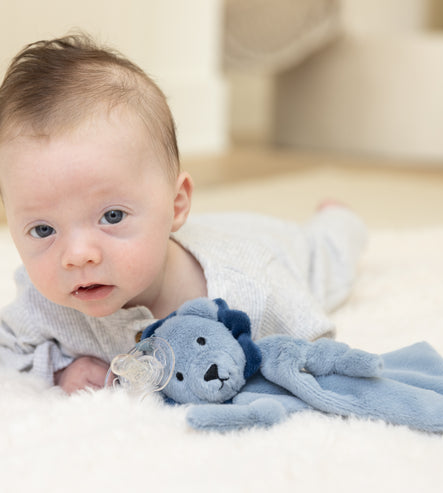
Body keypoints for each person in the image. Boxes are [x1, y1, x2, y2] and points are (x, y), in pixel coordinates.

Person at [0, 34, 367, 395]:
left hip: (279, 246)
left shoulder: (249, 286)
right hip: (197, 231)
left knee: (331, 251)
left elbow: (315, 341)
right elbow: (9, 347)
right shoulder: (41, 302)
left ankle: (338, 216)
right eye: (44, 229)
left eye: (112, 216)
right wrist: (63, 368)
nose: (78, 255)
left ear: (177, 205)